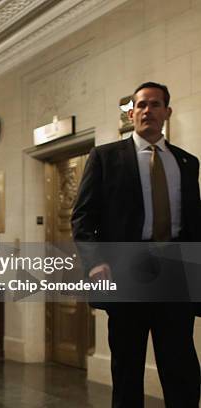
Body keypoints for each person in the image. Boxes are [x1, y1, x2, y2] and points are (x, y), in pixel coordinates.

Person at [72, 82, 201, 407]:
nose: (148, 110)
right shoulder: (106, 157)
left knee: (181, 368)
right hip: (126, 273)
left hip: (175, 274)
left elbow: (194, 223)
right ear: (131, 113)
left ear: (167, 112)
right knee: (127, 370)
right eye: (141, 105)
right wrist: (95, 262)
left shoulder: (187, 163)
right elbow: (83, 217)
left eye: (155, 104)